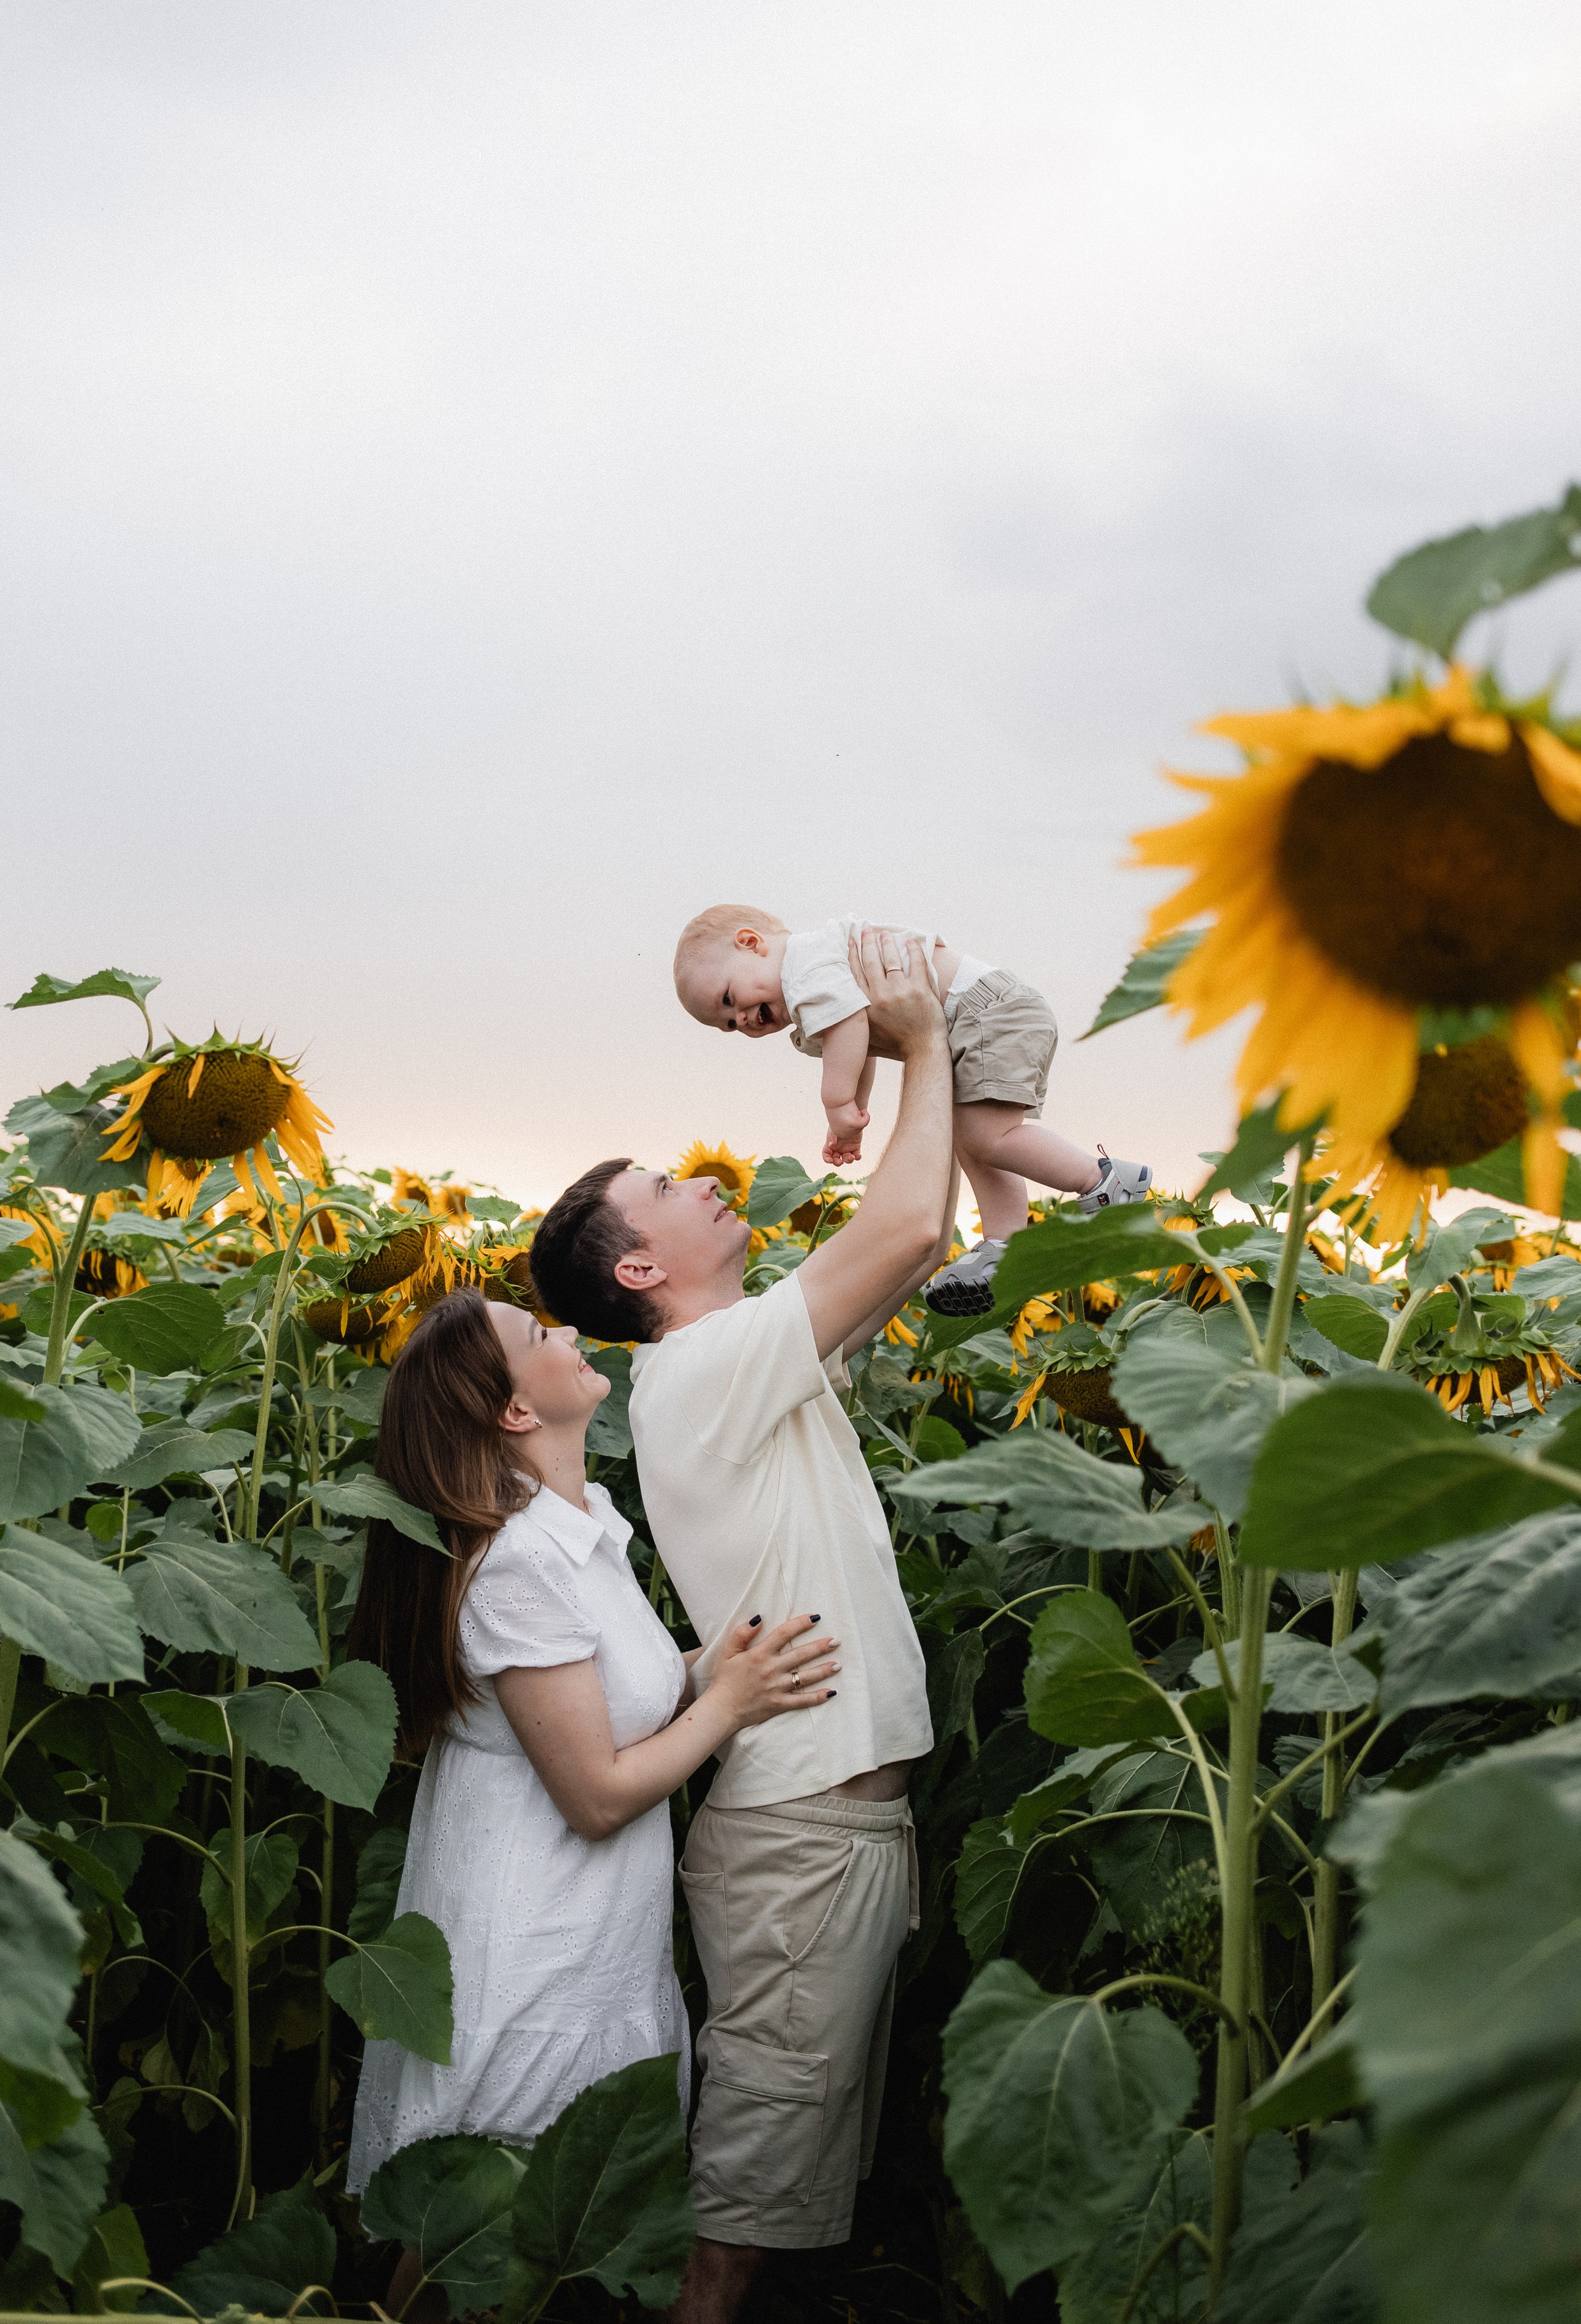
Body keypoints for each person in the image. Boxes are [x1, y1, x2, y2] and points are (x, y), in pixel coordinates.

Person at [528, 929, 961, 2324]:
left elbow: (922, 1239)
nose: (701, 1179)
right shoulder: (701, 1368)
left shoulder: (744, 1356)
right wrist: (923, 1041)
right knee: (745, 2191)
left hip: (829, 1827)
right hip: (799, 1837)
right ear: (639, 1274)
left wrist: (901, 1056)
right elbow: (894, 1228)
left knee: (787, 2157)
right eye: (661, 1189)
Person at [343, 1286, 839, 2320]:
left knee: (514, 2236)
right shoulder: (517, 1563)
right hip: (531, 1953)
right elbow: (598, 1793)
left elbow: (620, 1693)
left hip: (583, 1944)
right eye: (540, 1336)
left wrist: (717, 1666)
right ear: (515, 1413)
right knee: (475, 2229)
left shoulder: (572, 1527)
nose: (568, 1332)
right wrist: (735, 1703)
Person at [671, 902, 1152, 1316]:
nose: (741, 1020)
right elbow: (859, 1045)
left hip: (986, 1010)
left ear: (751, 943)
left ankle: (1105, 1182)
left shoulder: (805, 965)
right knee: (974, 1139)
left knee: (988, 1137)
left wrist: (836, 1103)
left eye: (730, 999)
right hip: (980, 1014)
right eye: (729, 1025)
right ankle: (1006, 1245)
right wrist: (853, 1117)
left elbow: (848, 1031)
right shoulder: (817, 986)